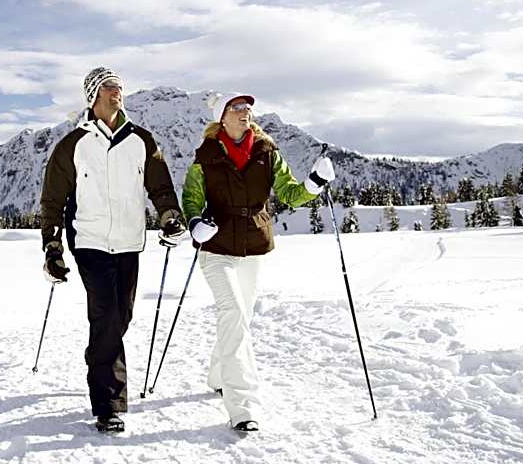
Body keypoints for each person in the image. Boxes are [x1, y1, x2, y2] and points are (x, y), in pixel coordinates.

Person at [39, 67, 186, 433]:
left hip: (128, 242)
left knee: (120, 317)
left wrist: (169, 216)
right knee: (105, 316)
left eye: (119, 86)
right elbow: (53, 201)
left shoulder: (142, 141)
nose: (116, 91)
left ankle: (97, 356)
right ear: (93, 96)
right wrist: (52, 247)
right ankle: (108, 404)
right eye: (108, 86)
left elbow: (161, 187)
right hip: (88, 241)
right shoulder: (73, 144)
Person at [181, 92, 335, 432]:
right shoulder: (205, 156)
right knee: (233, 313)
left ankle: (217, 375)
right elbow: (191, 198)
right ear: (222, 117)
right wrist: (195, 223)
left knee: (240, 318)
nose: (244, 112)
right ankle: (243, 406)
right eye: (236, 108)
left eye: (247, 108)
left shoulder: (267, 152)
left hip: (253, 246)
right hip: (217, 247)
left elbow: (291, 194)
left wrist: (315, 182)